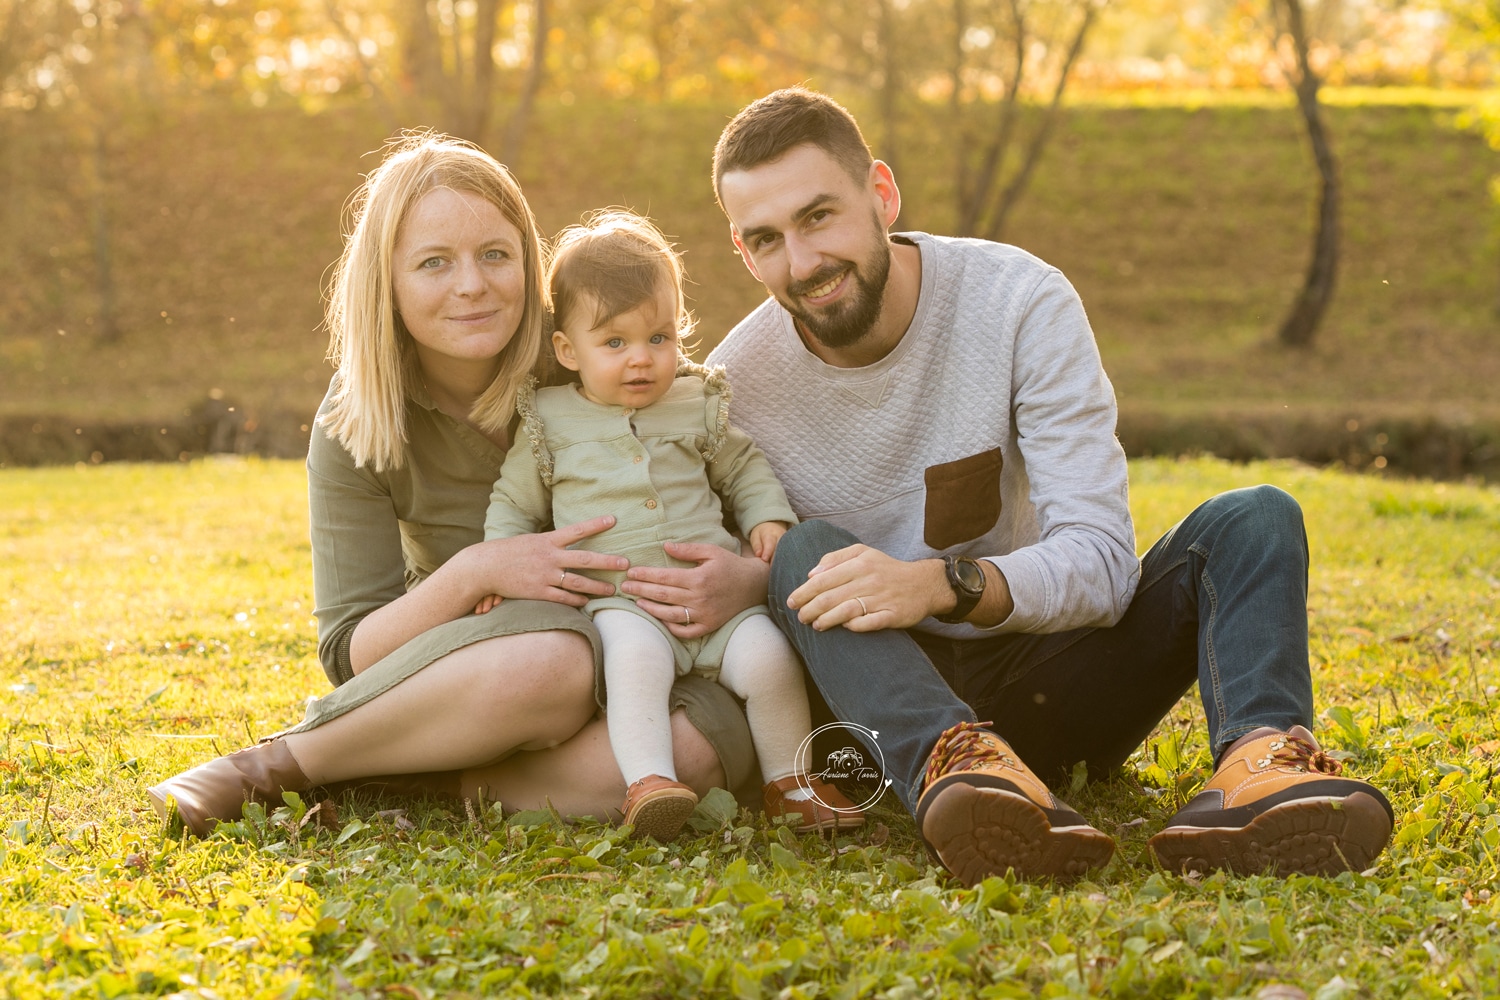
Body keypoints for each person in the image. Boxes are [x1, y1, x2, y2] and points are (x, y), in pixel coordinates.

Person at [685, 87, 1396, 885]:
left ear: (880, 194)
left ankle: (1263, 769)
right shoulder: (728, 389)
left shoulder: (1018, 301)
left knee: (1256, 517)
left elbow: (1099, 563)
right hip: (879, 701)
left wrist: (938, 585)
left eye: (819, 217)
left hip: (1050, 680)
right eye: (766, 239)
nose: (803, 262)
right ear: (742, 254)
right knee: (806, 552)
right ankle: (958, 774)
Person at [147, 135, 759, 837]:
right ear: (389, 282)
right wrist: (478, 569)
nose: (472, 284)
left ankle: (433, 777)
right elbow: (351, 652)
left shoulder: (597, 353)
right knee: (553, 662)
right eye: (435, 263)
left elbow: (725, 482)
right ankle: (274, 767)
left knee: (694, 756)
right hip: (501, 667)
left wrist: (744, 579)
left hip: (659, 655)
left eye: (495, 255)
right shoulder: (359, 420)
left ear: (529, 264)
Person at [477, 211, 862, 840]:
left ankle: (791, 783)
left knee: (769, 661)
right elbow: (513, 504)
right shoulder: (550, 420)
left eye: (659, 338)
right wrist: (499, 563)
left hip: (719, 600)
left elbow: (743, 467)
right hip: (623, 603)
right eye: (615, 343)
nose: (642, 360)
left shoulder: (694, 400)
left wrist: (767, 517)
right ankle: (650, 782)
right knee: (634, 668)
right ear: (568, 351)